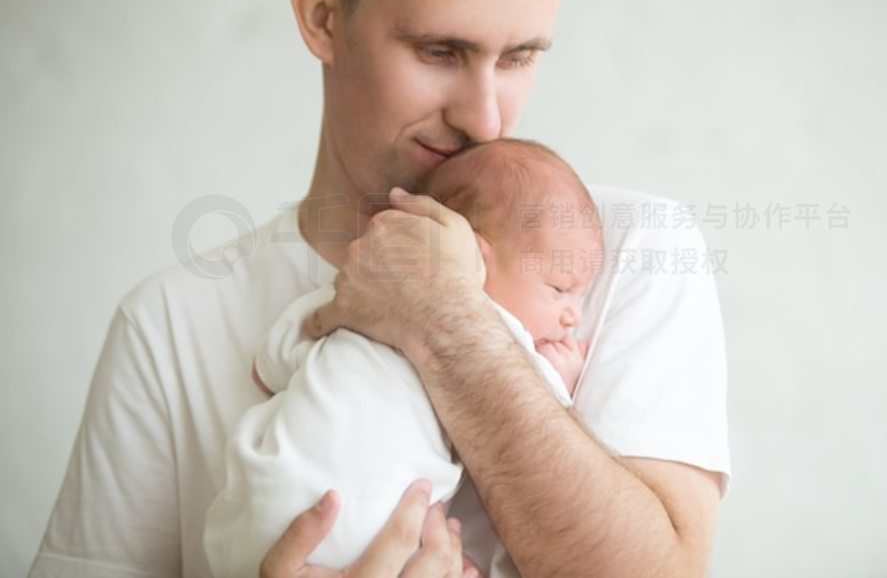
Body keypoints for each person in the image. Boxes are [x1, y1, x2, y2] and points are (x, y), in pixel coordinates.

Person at [30, 0, 730, 577]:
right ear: (322, 17)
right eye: (440, 51)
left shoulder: (622, 252)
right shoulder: (167, 326)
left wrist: (446, 320)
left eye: (518, 57)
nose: (486, 120)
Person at [203, 139, 600, 577]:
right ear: (478, 259)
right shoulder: (505, 343)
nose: (574, 315)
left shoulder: (350, 295)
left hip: (246, 514)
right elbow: (536, 423)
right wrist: (561, 380)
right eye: (560, 288)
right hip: (363, 532)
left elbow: (273, 362)